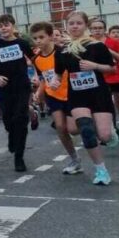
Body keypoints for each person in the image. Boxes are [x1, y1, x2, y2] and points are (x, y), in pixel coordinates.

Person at [52, 11, 118, 184]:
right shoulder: (62, 51)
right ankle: (101, 170)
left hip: (98, 94)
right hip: (77, 96)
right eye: (71, 23)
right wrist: (54, 81)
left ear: (85, 26)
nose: (74, 26)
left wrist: (95, 65)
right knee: (86, 130)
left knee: (104, 137)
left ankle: (107, 131)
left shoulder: (97, 46)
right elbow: (58, 74)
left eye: (78, 23)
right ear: (67, 26)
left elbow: (112, 69)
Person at [0, 15, 36, 172]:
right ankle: (12, 136)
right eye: (0, 26)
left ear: (13, 26)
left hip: (22, 86)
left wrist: (34, 76)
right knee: (8, 119)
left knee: (21, 119)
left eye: (6, 25)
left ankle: (19, 157)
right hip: (3, 87)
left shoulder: (22, 43)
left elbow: (35, 60)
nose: (3, 28)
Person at [30, 22, 82, 174]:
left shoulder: (63, 52)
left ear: (51, 36)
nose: (38, 41)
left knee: (73, 129)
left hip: (71, 93)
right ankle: (74, 159)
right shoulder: (36, 59)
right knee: (60, 127)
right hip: (53, 95)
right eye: (35, 38)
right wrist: (39, 92)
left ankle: (90, 127)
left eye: (41, 37)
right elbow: (43, 77)